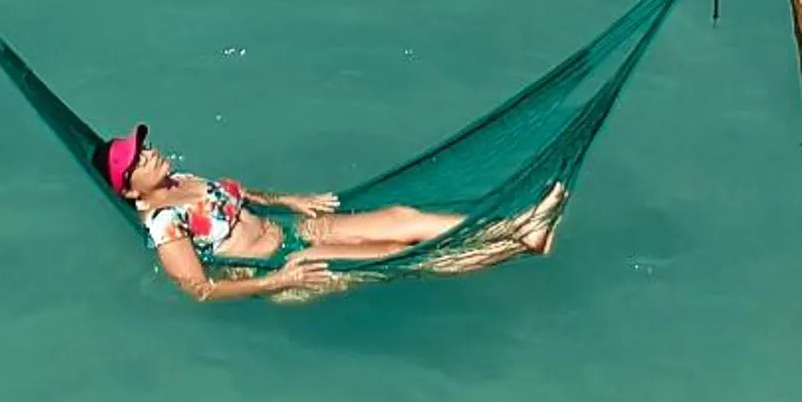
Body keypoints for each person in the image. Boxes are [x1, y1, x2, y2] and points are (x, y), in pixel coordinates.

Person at [95, 126, 566, 302]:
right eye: (138, 160)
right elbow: (198, 289)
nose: (150, 154)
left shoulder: (182, 181)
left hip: (290, 228)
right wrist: (275, 282)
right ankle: (516, 244)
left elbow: (238, 195)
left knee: (401, 215)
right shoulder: (164, 224)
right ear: (130, 190)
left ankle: (520, 228)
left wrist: (287, 200)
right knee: (399, 254)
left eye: (144, 148)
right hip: (281, 264)